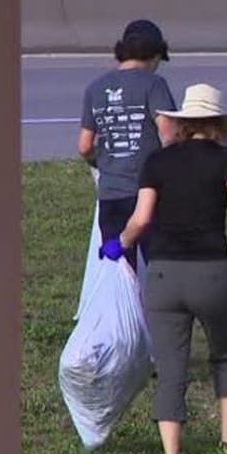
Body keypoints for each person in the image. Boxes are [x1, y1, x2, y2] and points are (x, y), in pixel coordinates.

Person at [98, 84, 227, 454]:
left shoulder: (157, 162)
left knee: (172, 368)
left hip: (163, 276)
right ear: (218, 125)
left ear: (184, 124)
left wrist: (116, 244)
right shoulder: (225, 159)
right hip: (213, 275)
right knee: (225, 356)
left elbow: (140, 220)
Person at [78, 19, 176, 272]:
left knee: (120, 270)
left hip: (110, 195)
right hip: (148, 193)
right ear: (154, 54)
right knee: (160, 267)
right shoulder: (154, 84)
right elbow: (168, 133)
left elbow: (84, 145)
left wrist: (104, 163)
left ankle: (125, 313)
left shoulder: (95, 89)